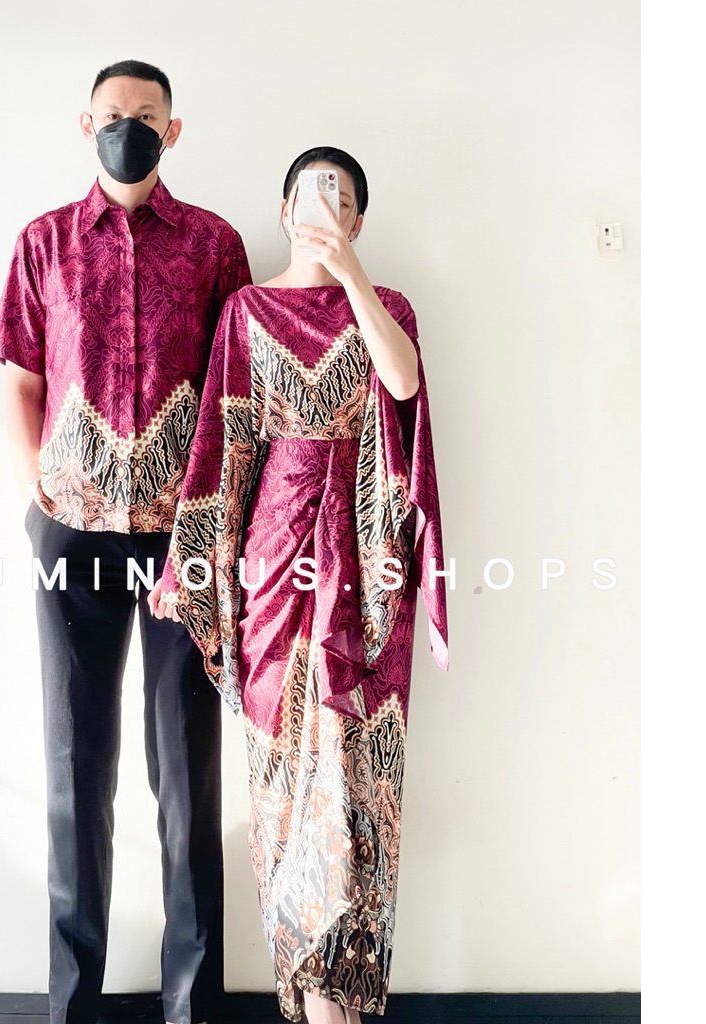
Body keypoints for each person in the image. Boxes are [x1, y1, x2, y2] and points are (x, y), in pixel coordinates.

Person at [148, 147, 449, 1023]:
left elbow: (402, 382)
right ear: (284, 211)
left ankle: (338, 1001)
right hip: (276, 561)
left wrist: (349, 273)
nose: (325, 207)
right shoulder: (246, 312)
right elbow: (223, 446)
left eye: (341, 197)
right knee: (286, 789)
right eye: (313, 194)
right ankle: (321, 1005)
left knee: (357, 782)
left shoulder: (388, 307)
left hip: (366, 565)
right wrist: (190, 564)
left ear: (356, 219)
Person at [0, 59, 252, 1024]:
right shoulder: (44, 243)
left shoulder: (216, 246)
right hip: (72, 531)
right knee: (73, 766)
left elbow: (235, 393)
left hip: (186, 540)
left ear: (171, 131)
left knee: (186, 774)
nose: (125, 128)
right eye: (110, 115)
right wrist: (36, 490)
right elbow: (20, 380)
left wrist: (219, 520)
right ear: (85, 123)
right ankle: (73, 1006)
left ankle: (194, 1007)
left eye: (144, 116)